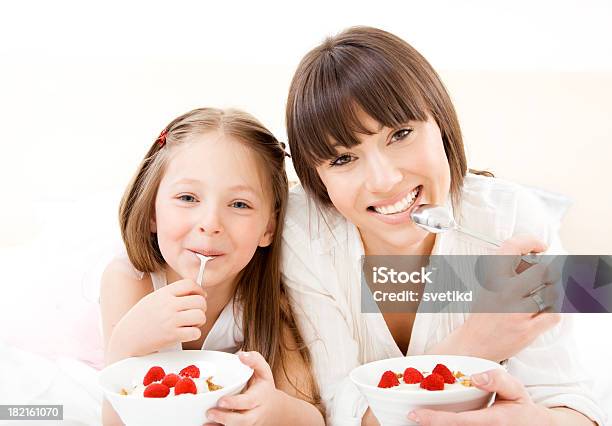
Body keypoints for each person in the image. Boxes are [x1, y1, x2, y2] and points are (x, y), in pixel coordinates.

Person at [282, 27, 604, 425]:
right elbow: (341, 411)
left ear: (442, 125)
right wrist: (474, 344)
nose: (383, 180)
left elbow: (573, 404)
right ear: (317, 179)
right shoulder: (302, 232)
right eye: (343, 159)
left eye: (400, 134)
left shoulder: (514, 218)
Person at [100, 107, 324, 425]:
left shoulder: (266, 298)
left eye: (239, 204)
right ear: (152, 211)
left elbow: (313, 418)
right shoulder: (129, 281)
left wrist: (274, 409)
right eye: (188, 198)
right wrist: (125, 345)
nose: (210, 224)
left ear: (268, 229)